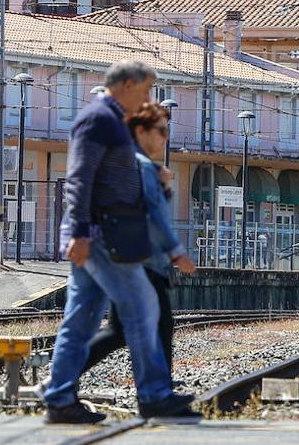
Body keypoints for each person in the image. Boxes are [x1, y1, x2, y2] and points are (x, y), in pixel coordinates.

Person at [42, 60, 196, 424]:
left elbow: (109, 174)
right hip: (101, 236)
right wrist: (78, 232)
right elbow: (79, 178)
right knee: (143, 307)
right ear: (127, 84)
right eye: (145, 90)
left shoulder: (112, 122)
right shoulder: (99, 119)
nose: (147, 98)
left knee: (81, 320)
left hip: (101, 234)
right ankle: (155, 394)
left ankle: (60, 397)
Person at [82, 102, 196, 376]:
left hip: (124, 259)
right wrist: (177, 252)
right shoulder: (143, 167)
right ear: (141, 131)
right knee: (159, 326)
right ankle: (161, 395)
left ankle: (60, 377)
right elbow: (154, 218)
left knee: (123, 331)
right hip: (142, 262)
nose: (165, 137)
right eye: (160, 130)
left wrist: (164, 188)